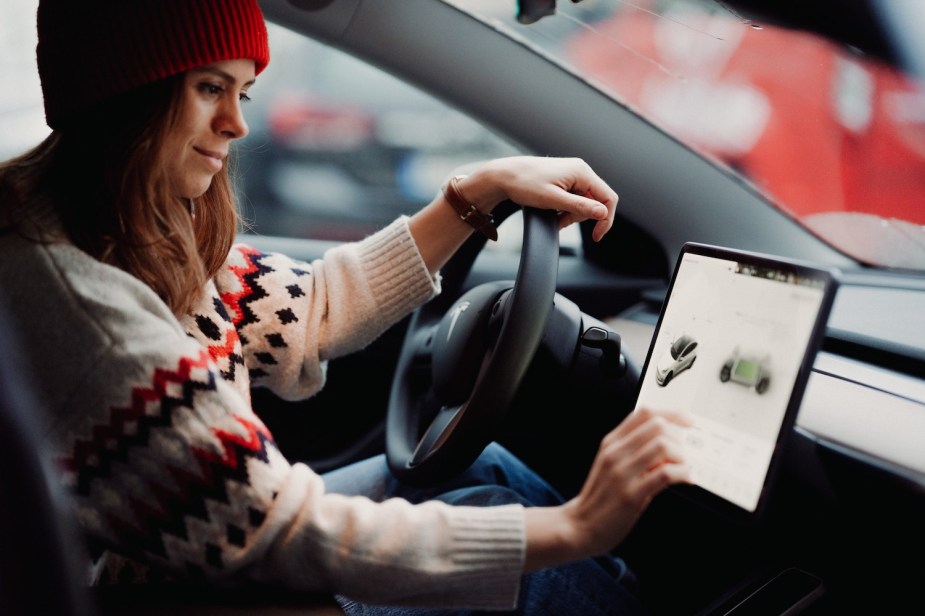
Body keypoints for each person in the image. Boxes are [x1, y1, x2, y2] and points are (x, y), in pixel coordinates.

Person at [0, 0, 691, 613]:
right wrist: (577, 527)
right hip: (151, 585)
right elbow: (277, 530)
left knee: (492, 475)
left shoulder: (114, 228)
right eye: (211, 87)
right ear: (126, 91)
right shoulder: (82, 306)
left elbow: (311, 309)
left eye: (243, 91)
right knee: (541, 572)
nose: (237, 122)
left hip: (177, 560)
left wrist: (474, 194)